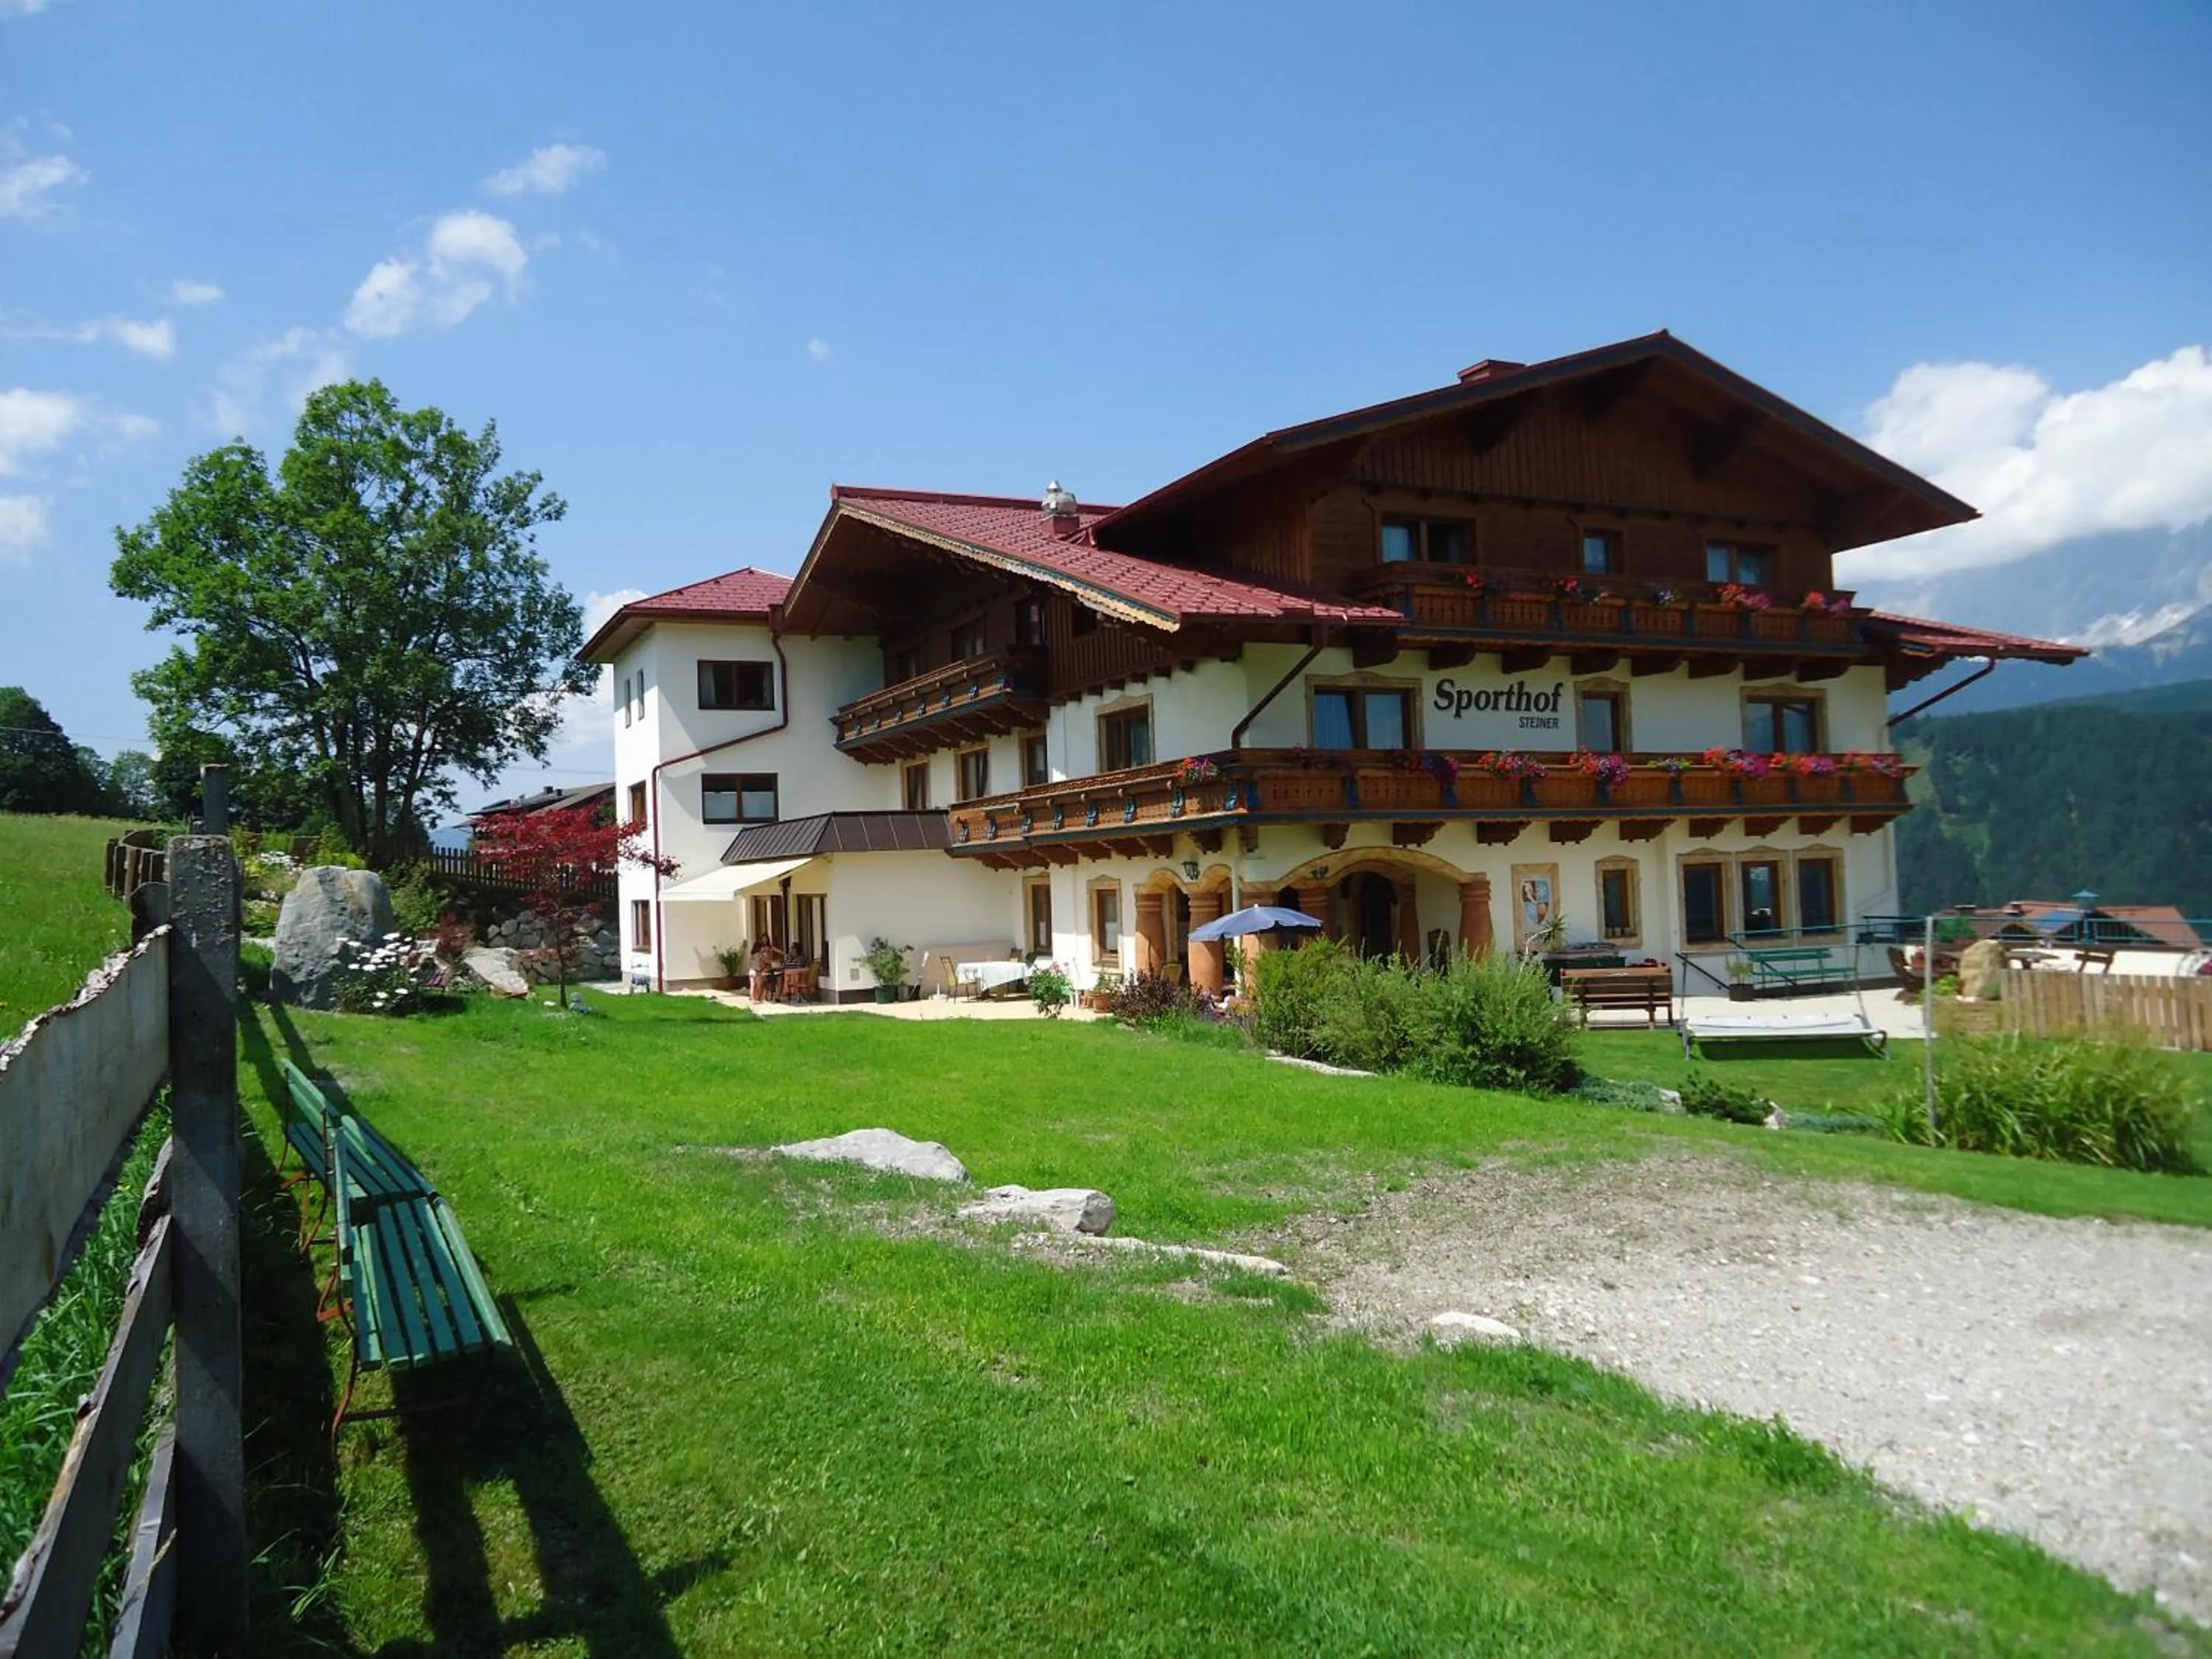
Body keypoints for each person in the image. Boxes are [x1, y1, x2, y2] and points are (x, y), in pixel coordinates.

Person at [748, 939, 782, 1004]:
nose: (763, 949)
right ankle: (757, 998)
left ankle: (752, 998)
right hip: (757, 972)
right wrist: (776, 962)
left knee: (753, 985)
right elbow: (768, 961)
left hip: (751, 971)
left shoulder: (752, 955)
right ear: (760, 948)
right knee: (759, 986)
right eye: (762, 947)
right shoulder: (760, 955)